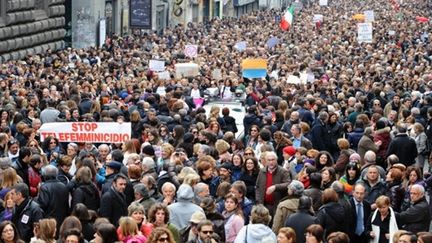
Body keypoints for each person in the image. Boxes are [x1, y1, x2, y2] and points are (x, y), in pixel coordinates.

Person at [256, 151, 291, 216]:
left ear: (276, 160)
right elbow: (257, 187)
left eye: (273, 160)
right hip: (264, 205)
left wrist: (275, 187)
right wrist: (259, 201)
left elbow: (288, 184)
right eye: (269, 160)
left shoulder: (283, 171)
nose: (271, 162)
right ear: (266, 161)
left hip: (277, 205)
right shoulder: (262, 171)